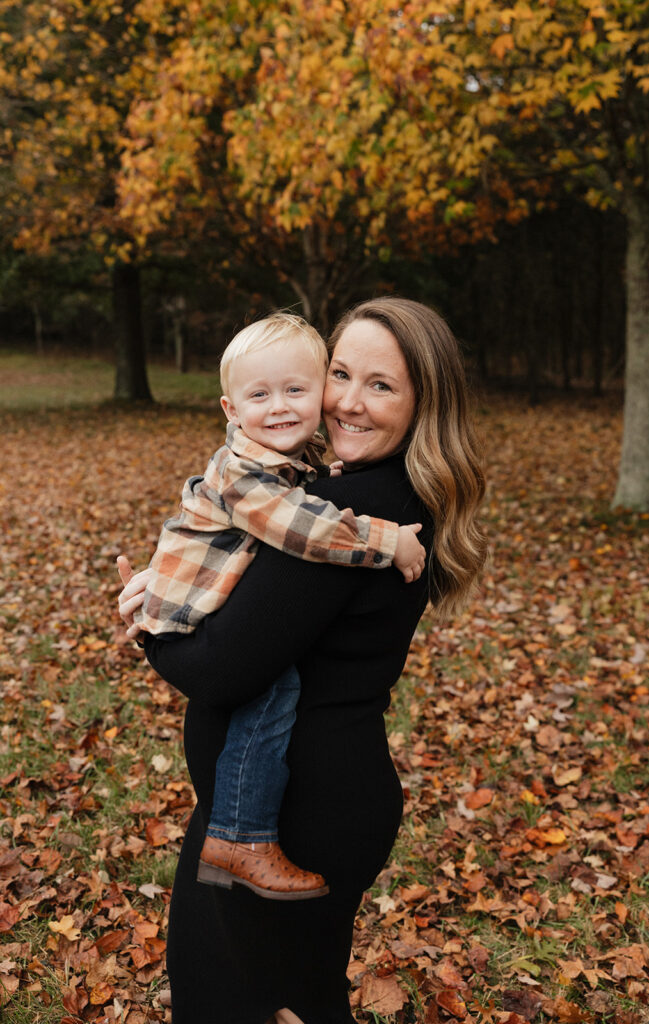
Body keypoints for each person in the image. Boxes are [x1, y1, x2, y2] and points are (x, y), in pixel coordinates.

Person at [118, 297, 487, 1024]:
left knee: (258, 1005)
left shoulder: (350, 516)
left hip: (294, 816)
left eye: (380, 385)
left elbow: (219, 672)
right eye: (339, 373)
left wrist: (149, 626)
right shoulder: (372, 493)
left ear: (423, 402)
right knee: (271, 997)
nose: (348, 401)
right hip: (277, 805)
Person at [133, 312, 425, 901]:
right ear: (230, 410)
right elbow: (305, 531)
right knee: (272, 693)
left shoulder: (316, 476)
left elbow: (229, 663)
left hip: (319, 797)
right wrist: (384, 539)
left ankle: (241, 834)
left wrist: (151, 632)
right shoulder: (249, 472)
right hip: (188, 611)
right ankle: (240, 835)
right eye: (342, 375)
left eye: (298, 389)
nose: (282, 406)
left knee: (273, 689)